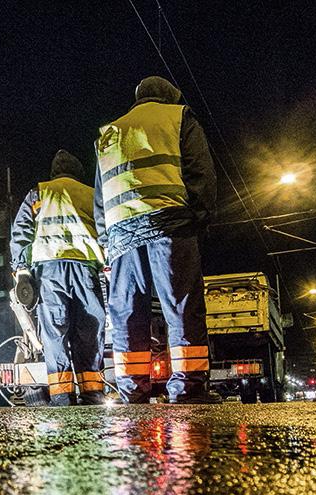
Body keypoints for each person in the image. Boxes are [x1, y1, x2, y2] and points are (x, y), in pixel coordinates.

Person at [94, 76, 217, 403]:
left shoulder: (109, 134)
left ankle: (133, 391)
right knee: (181, 306)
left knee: (127, 314)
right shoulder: (179, 117)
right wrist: (200, 218)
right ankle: (187, 389)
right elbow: (200, 172)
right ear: (170, 96)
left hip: (121, 239)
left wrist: (106, 242)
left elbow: (100, 199)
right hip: (170, 226)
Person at [10, 149, 107, 406]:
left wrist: (21, 271)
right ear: (78, 172)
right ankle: (92, 393)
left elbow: (20, 233)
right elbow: (106, 229)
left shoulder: (39, 193)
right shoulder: (91, 193)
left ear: (54, 172)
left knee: (55, 333)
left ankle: (62, 396)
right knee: (89, 331)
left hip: (50, 273)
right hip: (85, 269)